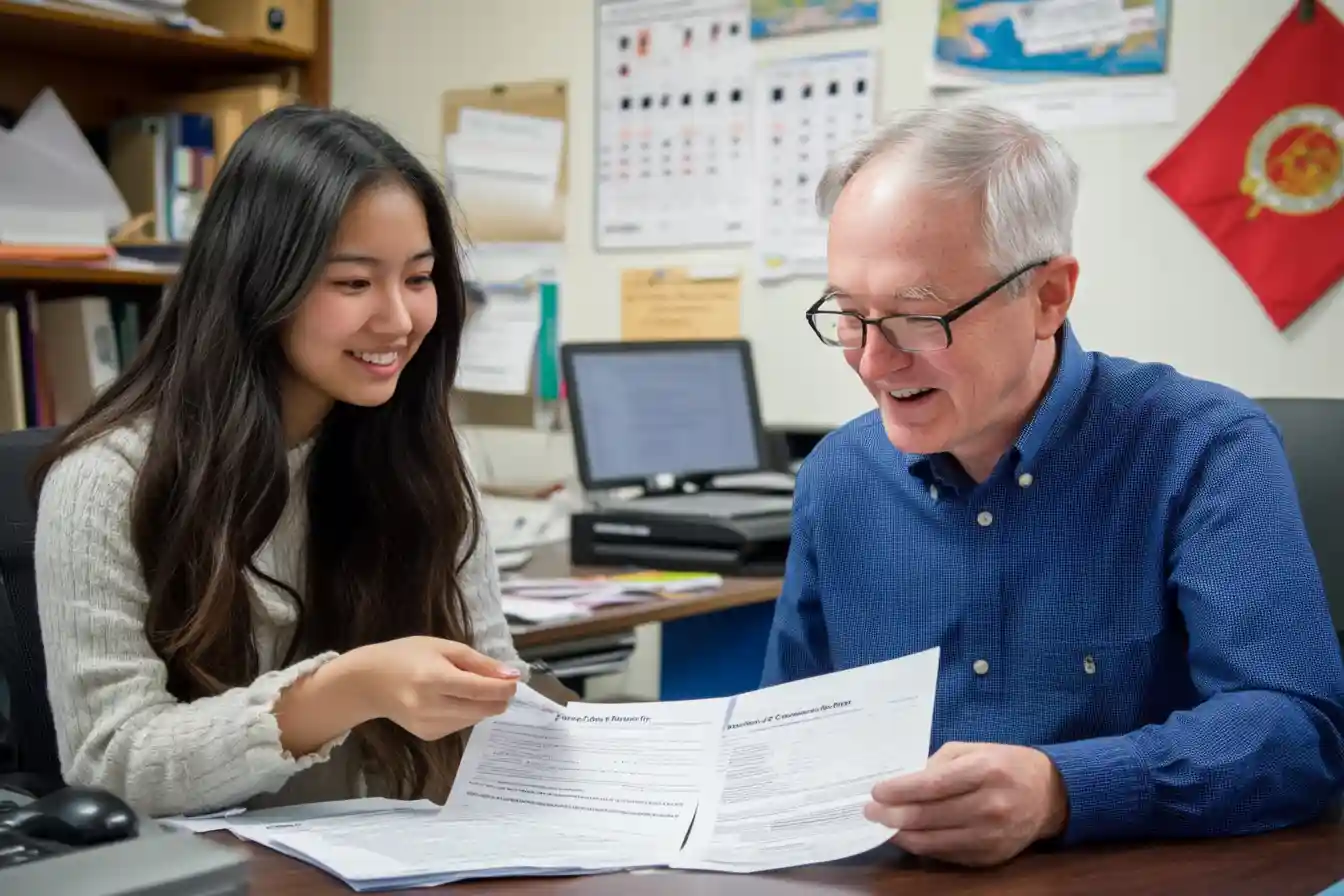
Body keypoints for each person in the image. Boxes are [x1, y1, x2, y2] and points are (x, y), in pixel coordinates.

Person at [761, 103, 1344, 866]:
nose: (872, 362)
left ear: (1048, 297)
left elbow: (1296, 729)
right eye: (848, 314)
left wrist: (1060, 790)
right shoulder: (839, 475)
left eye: (916, 316)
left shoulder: (1203, 450)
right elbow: (782, 737)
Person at [32, 105, 528, 818]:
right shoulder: (105, 479)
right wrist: (345, 690)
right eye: (353, 284)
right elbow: (114, 765)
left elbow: (491, 689)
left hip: (404, 860)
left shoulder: (423, 452)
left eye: (418, 279)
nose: (398, 319)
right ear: (260, 283)